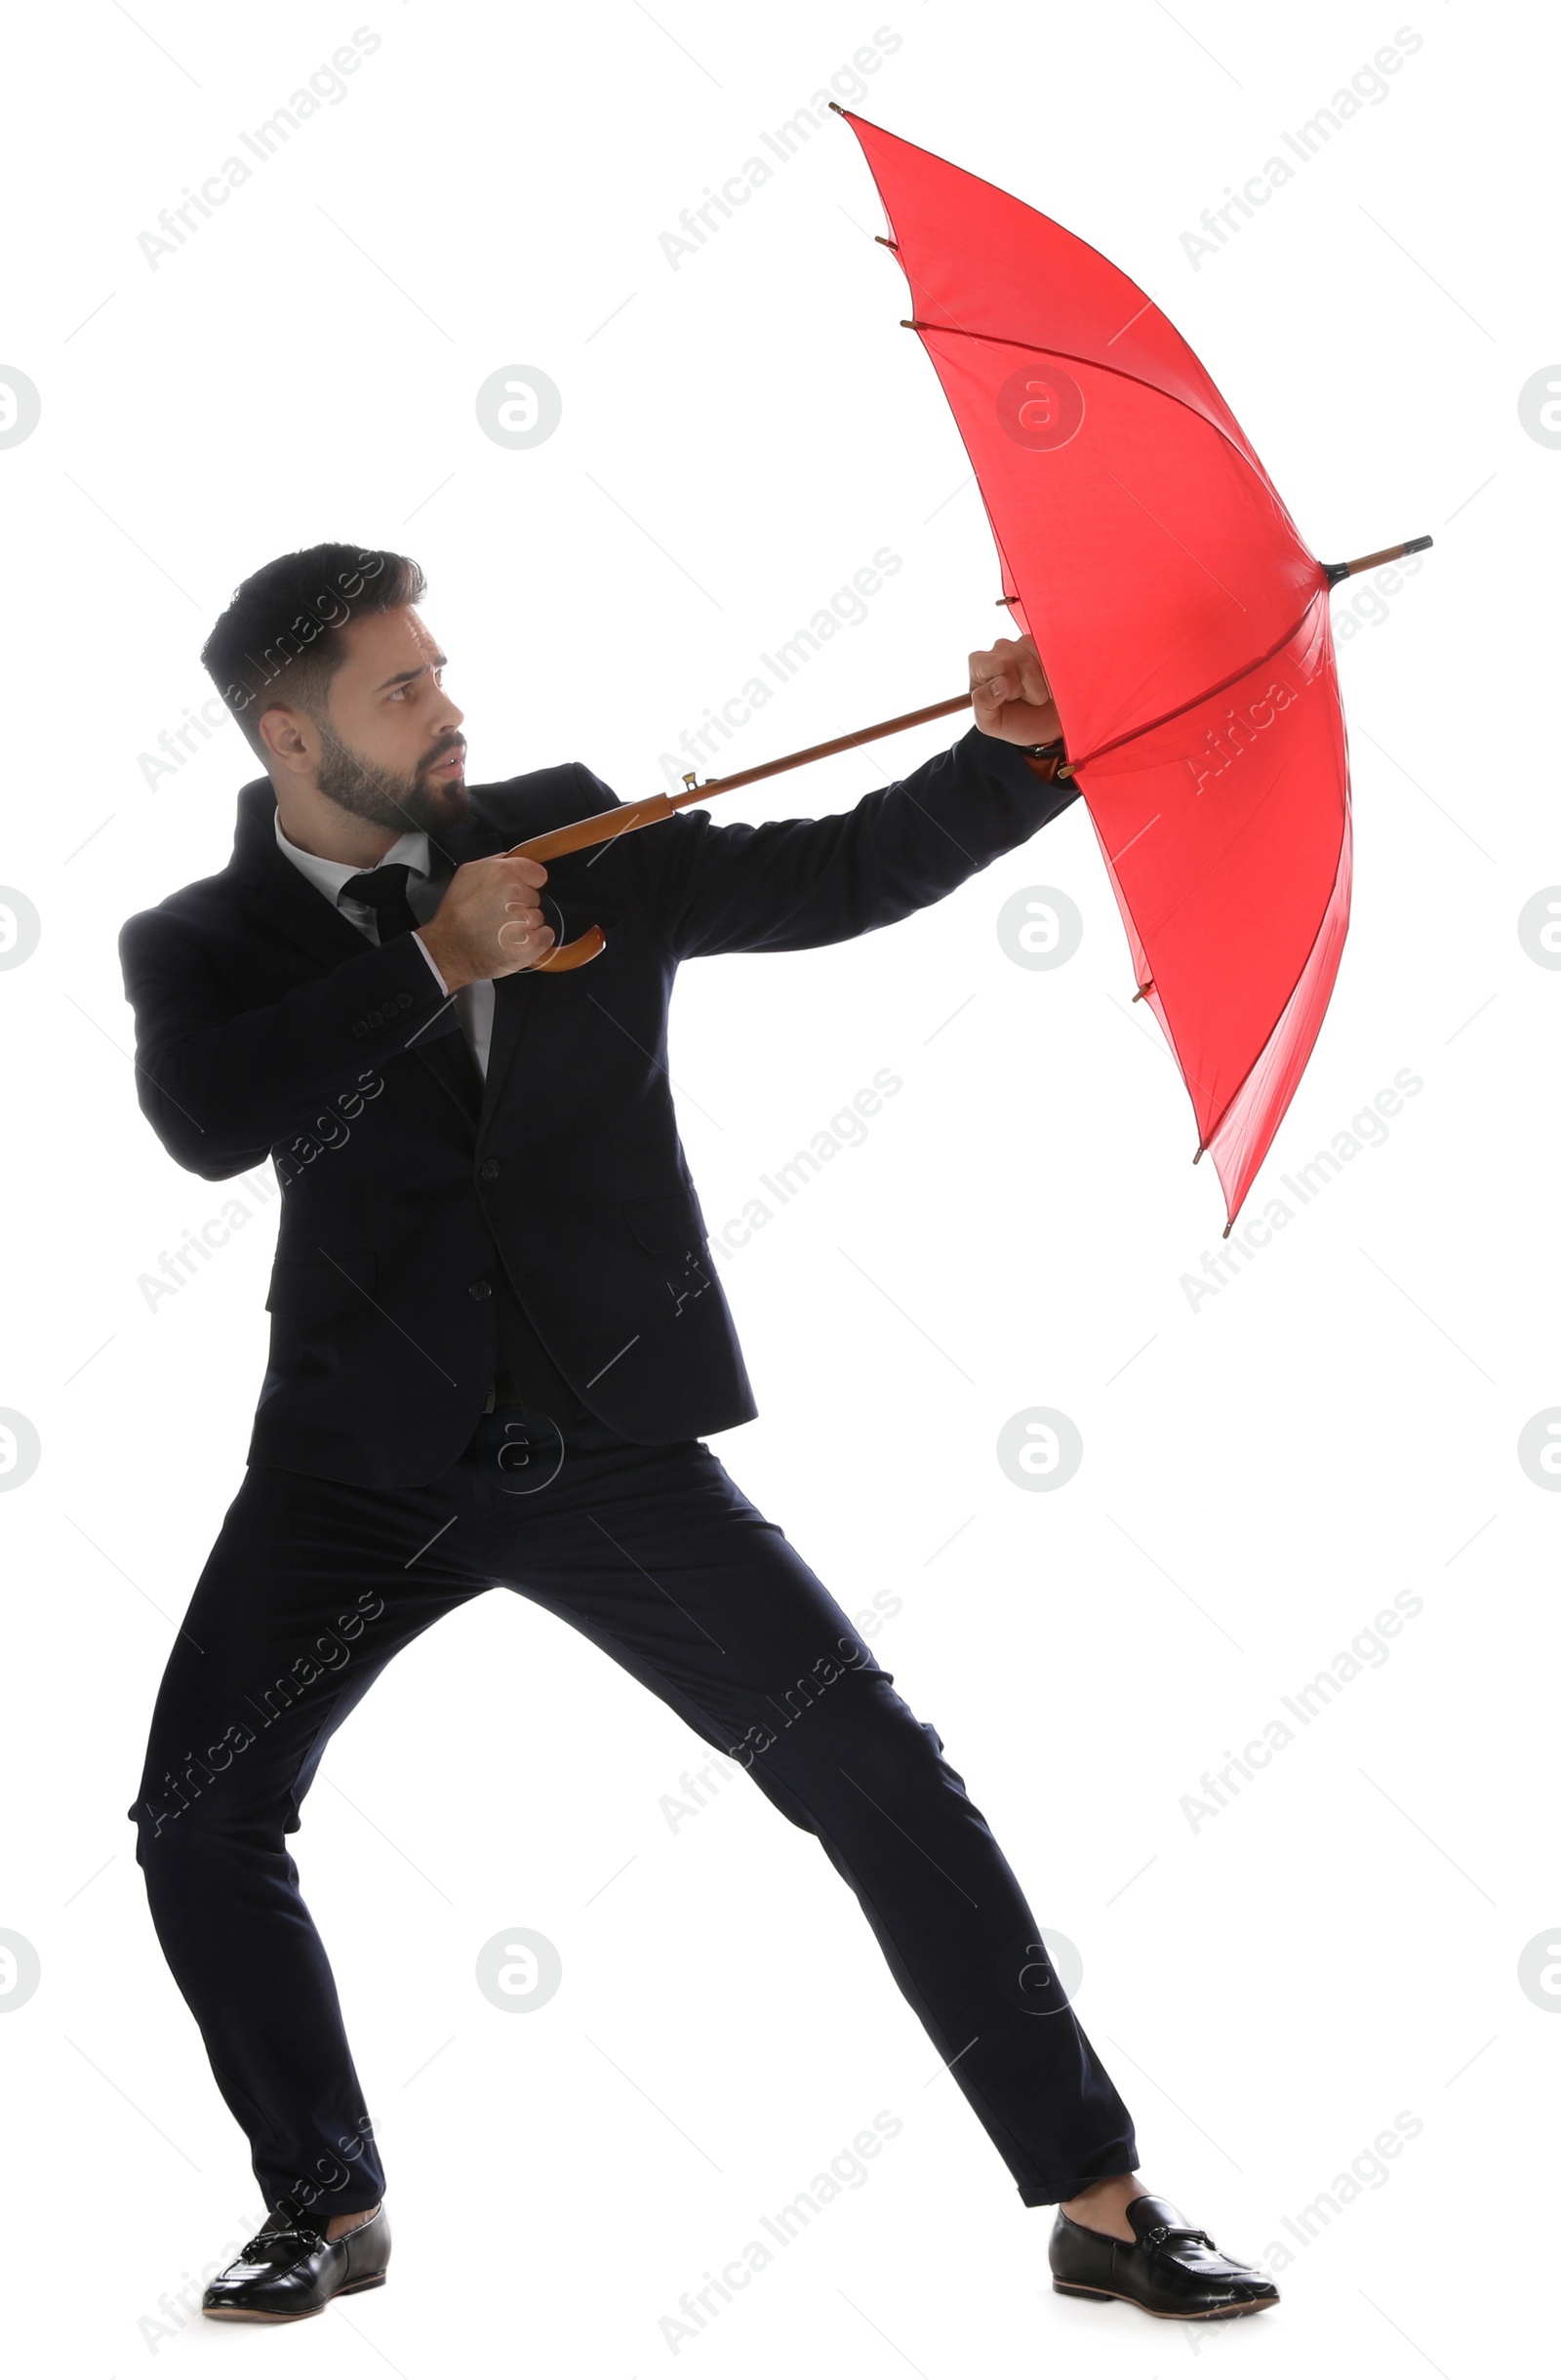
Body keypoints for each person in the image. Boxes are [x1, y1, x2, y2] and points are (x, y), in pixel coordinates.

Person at [121, 542, 1279, 2327]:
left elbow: (834, 874)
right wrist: (430, 958)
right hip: (348, 1467)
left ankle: (1098, 2200)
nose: (450, 710)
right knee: (199, 1818)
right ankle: (323, 2202)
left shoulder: (568, 828)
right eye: (401, 689)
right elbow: (208, 1120)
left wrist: (1016, 755)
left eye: (441, 671)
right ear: (289, 734)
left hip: (607, 1442)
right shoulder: (195, 942)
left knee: (878, 1776)